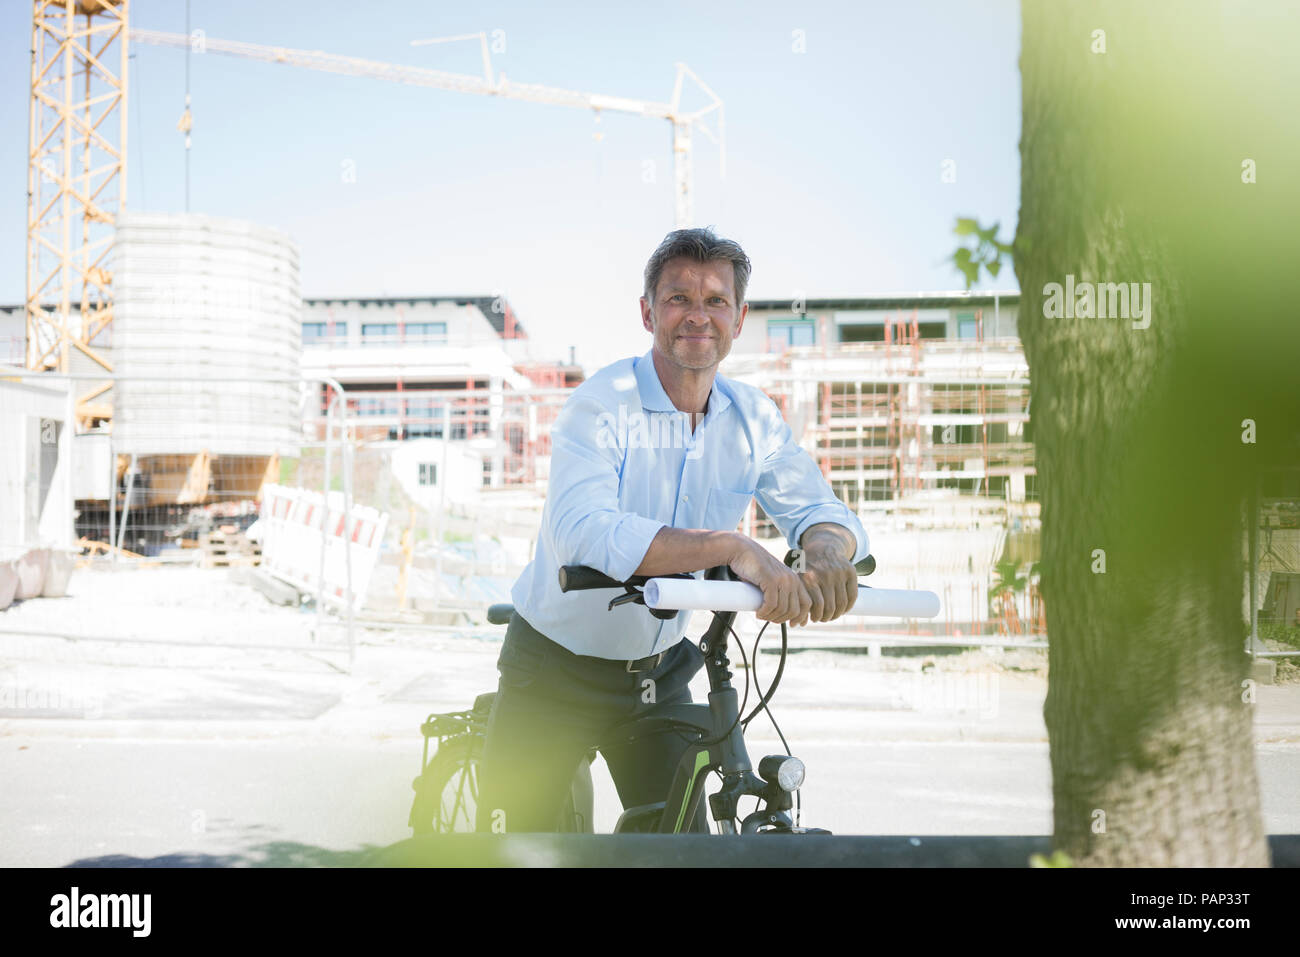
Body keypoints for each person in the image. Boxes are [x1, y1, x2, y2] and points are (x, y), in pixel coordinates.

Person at [474, 227, 869, 834]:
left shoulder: (753, 417)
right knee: (518, 848)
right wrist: (731, 548)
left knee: (685, 846)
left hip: (659, 673)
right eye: (679, 297)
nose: (698, 315)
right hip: (553, 668)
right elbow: (585, 531)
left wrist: (824, 550)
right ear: (647, 312)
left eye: (716, 300)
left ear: (738, 319)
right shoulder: (603, 404)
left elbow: (817, 507)